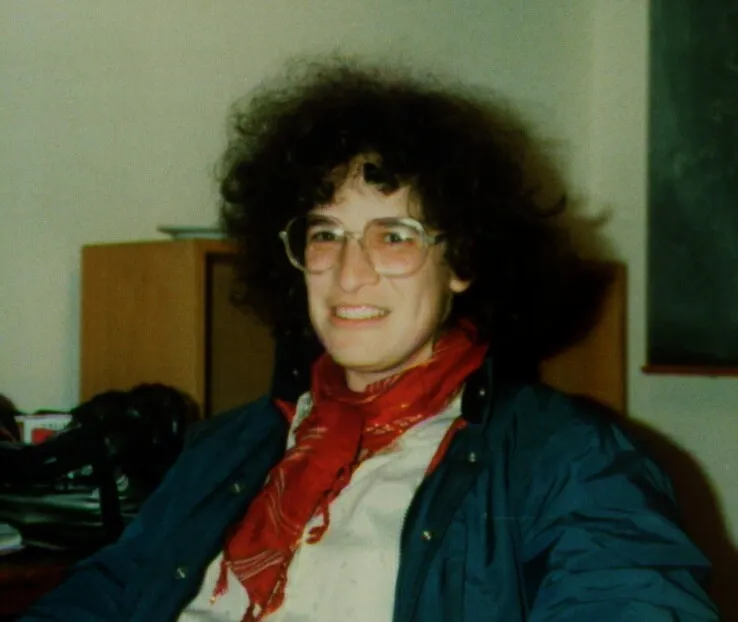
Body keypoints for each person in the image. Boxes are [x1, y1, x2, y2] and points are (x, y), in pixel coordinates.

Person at [21, 62, 718, 621]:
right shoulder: (229, 447)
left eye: (394, 236)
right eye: (326, 234)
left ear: (462, 260)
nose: (350, 273)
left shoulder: (565, 459)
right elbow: (109, 590)